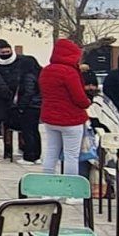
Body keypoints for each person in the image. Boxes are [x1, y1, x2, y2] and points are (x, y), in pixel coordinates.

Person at [39, 38, 91, 178]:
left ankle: (48, 190)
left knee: (51, 152)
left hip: (50, 118)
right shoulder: (70, 72)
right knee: (71, 156)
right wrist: (88, 102)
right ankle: (71, 193)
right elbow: (79, 99)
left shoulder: (46, 70)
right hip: (71, 120)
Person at [0, 40, 42, 163]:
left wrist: (21, 106)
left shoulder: (27, 73)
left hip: (28, 104)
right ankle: (34, 155)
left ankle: (30, 156)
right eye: (3, 52)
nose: (5, 54)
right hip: (30, 103)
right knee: (32, 130)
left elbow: (29, 90)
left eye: (7, 52)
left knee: (29, 130)